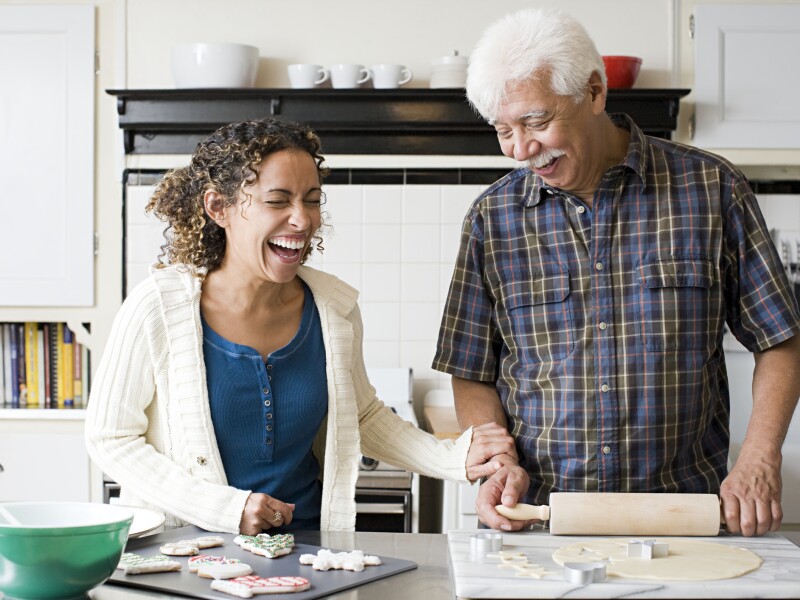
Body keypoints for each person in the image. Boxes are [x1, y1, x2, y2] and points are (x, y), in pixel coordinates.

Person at [432, 8, 800, 537]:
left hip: (684, 518)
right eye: (503, 130)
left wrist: (760, 458)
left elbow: (780, 340)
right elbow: (472, 367)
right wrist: (495, 461)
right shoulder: (493, 218)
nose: (520, 149)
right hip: (540, 519)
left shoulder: (712, 190)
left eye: (536, 122)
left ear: (596, 92)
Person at [85, 118, 516, 535]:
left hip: (307, 550)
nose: (303, 219)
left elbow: (360, 416)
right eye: (278, 200)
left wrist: (454, 459)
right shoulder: (157, 308)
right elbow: (112, 438)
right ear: (219, 207)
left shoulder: (334, 309)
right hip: (191, 556)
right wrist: (225, 509)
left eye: (311, 199)